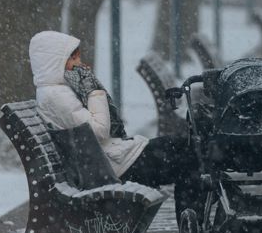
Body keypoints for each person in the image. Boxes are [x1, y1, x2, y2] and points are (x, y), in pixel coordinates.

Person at [30, 31, 198, 201]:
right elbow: (101, 131)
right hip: (112, 167)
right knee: (191, 154)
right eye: (73, 59)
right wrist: (93, 92)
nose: (79, 63)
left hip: (112, 158)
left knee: (188, 146)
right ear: (55, 62)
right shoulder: (56, 96)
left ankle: (192, 222)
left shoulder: (58, 90)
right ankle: (193, 223)